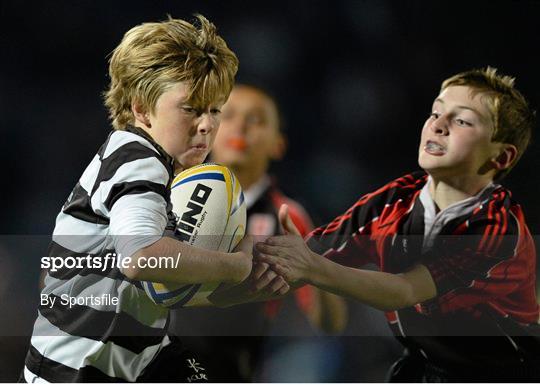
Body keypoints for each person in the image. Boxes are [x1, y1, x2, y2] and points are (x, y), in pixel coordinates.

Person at [20, 15, 288, 383]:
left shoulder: (153, 165)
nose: (207, 125)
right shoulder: (138, 159)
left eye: (214, 109)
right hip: (81, 370)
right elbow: (141, 258)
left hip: (141, 357)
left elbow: (147, 287)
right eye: (191, 108)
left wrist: (230, 293)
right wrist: (234, 266)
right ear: (141, 109)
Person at [256, 67, 540, 381]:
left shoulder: (498, 228)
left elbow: (405, 290)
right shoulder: (394, 200)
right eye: (435, 113)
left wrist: (309, 266)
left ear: (500, 158)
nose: (439, 125)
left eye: (462, 120)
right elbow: (307, 256)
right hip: (424, 369)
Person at [171, 84, 347, 381]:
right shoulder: (167, 195)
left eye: (256, 120)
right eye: (228, 116)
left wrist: (315, 269)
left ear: (277, 144)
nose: (240, 126)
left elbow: (330, 323)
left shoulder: (287, 218)